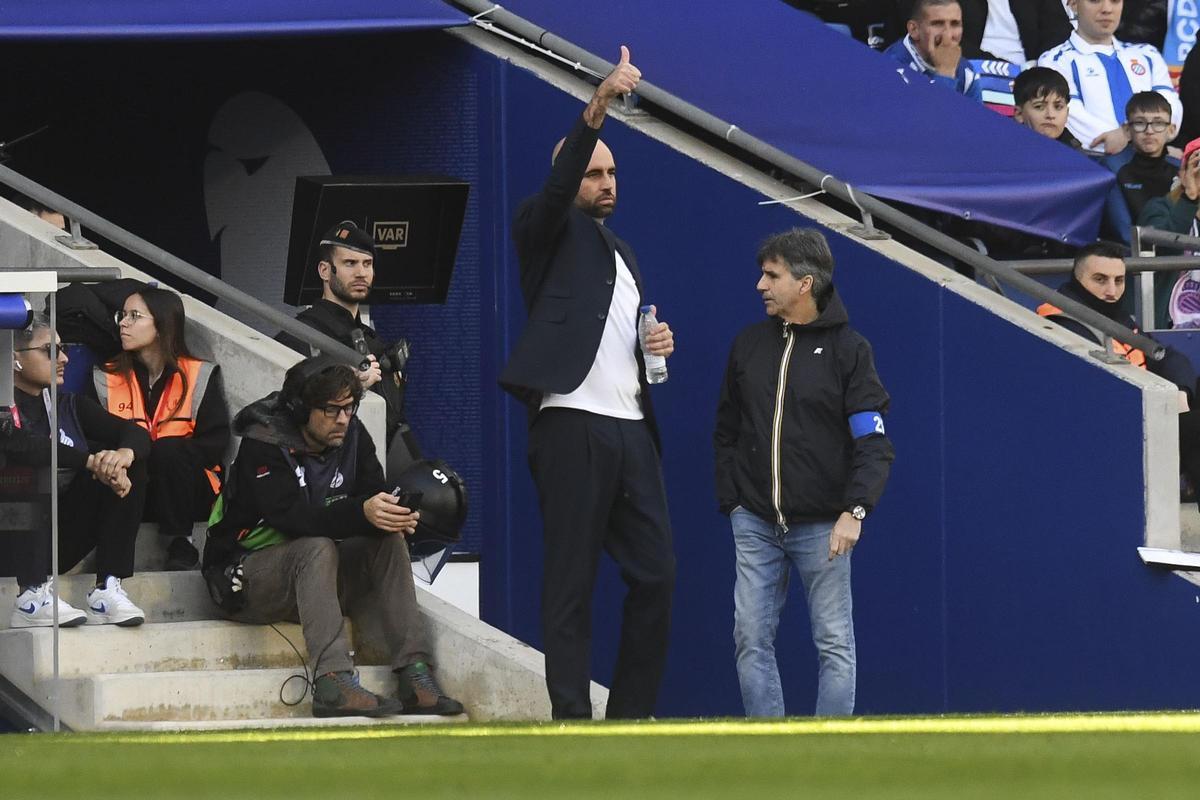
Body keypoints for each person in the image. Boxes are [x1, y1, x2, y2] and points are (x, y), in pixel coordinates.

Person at [499, 46, 677, 720]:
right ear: (570, 177)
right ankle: (571, 717)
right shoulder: (540, 229)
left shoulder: (622, 253)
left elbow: (619, 337)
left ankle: (630, 717)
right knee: (570, 579)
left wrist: (652, 342)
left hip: (631, 426)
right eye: (593, 172)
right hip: (570, 420)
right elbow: (556, 188)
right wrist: (596, 110)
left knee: (656, 574)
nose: (605, 181)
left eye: (612, 173)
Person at [202, 358, 462, 719]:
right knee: (315, 547)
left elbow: (371, 495)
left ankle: (414, 674)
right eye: (331, 410)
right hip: (244, 581)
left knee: (387, 542)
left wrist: (392, 516)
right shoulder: (263, 443)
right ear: (300, 409)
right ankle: (332, 681)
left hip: (317, 583)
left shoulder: (352, 434)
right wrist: (362, 513)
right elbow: (295, 519)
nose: (343, 418)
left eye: (349, 408)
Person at [714, 228, 894, 717]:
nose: (760, 285)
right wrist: (733, 502)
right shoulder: (748, 344)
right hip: (754, 521)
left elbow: (873, 443)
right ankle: (768, 754)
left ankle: (829, 757)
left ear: (805, 283)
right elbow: (726, 429)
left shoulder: (850, 351)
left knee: (834, 642)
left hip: (825, 526)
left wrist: (855, 510)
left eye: (772, 275)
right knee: (750, 636)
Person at [0, 314, 151, 627]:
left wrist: (120, 457)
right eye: (50, 350)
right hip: (9, 539)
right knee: (30, 468)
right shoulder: (3, 406)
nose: (64, 358)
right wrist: (89, 460)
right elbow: (20, 446)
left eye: (63, 348)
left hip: (56, 538)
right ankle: (31, 595)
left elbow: (137, 434)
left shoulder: (69, 404)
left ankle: (106, 590)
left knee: (131, 466)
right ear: (14, 359)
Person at [1035, 242, 1200, 496]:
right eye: (1100, 280)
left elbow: (1169, 358)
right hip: (1114, 428)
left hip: (1148, 409)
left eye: (1119, 280)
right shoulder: (1060, 322)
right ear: (1077, 280)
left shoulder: (1115, 316)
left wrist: (1181, 391)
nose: (1111, 291)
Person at [93, 287, 229, 571]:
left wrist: (159, 454)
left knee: (168, 450)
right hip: (132, 485)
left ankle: (181, 542)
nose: (123, 323)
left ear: (161, 326)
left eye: (135, 316)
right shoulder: (107, 376)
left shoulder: (198, 374)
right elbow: (95, 435)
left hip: (190, 489)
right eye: (122, 315)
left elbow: (215, 443)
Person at [277, 221, 406, 450]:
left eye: (367, 264)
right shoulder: (300, 337)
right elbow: (289, 421)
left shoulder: (373, 342)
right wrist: (351, 390)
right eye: (350, 263)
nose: (361, 273)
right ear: (324, 271)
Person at [1037, 0, 1181, 157]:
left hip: (1153, 161)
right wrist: (1143, 140)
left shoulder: (1148, 55)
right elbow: (1072, 117)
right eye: (1095, 1)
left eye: (1115, 1)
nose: (1107, 9)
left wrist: (1129, 136)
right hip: (1095, 164)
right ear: (1072, 4)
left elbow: (1171, 108)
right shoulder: (1054, 60)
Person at [1136, 136, 1200, 327]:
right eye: (1197, 166)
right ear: (1182, 173)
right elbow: (1162, 249)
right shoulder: (1160, 208)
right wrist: (1190, 197)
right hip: (1171, 323)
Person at [884, 0, 983, 101]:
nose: (948, 35)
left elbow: (977, 116)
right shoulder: (890, 67)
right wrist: (945, 73)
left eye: (955, 24)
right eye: (938, 24)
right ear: (914, 30)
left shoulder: (966, 71)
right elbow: (928, 115)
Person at [1117, 91, 1179, 222]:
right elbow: (1122, 230)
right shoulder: (1114, 170)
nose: (1149, 131)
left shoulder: (1180, 170)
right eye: (1140, 123)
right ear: (1127, 130)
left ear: (1171, 130)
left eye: (1158, 123)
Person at [1012, 67, 1082, 148]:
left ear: (1067, 114)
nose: (1050, 115)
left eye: (1058, 107)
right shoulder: (1000, 149)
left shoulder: (1078, 156)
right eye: (1039, 106)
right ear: (1019, 114)